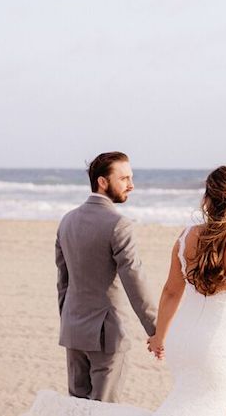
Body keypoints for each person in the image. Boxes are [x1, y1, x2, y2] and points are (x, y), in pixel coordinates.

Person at [24, 165, 226, 416]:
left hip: (181, 341)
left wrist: (160, 336)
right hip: (218, 347)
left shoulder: (187, 237)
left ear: (207, 198)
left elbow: (171, 292)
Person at [55, 151, 158, 402]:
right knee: (104, 408)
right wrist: (155, 329)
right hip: (106, 335)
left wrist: (68, 319)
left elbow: (63, 281)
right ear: (102, 181)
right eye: (124, 179)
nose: (131, 186)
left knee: (77, 407)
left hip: (73, 329)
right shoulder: (119, 224)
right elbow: (134, 278)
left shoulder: (66, 221)